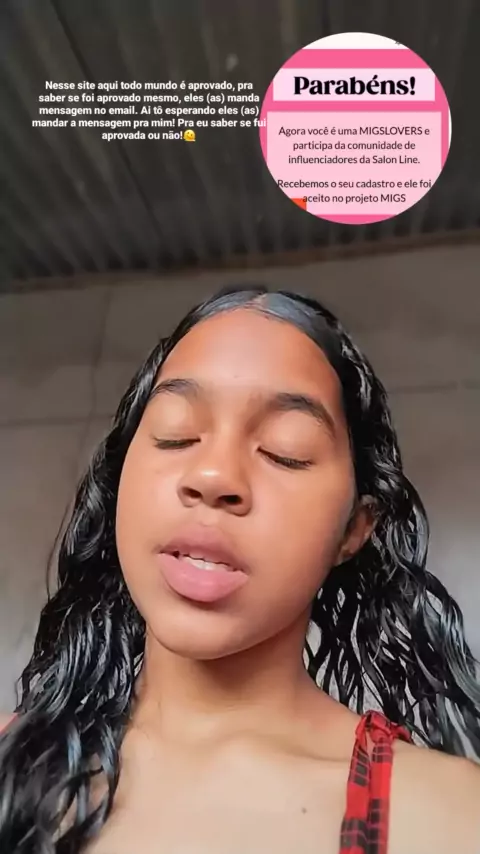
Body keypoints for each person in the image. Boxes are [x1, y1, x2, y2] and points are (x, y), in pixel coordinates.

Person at [0, 284, 479, 854]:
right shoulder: (12, 765)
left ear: (355, 527)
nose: (214, 477)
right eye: (175, 435)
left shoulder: (448, 819)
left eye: (285, 451)